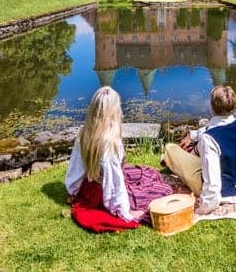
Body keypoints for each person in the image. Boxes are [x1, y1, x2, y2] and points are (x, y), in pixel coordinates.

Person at [65, 86, 171, 232]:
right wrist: (124, 212)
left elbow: (76, 166)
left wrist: (74, 190)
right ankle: (128, 203)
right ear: (115, 110)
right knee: (163, 190)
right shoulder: (110, 142)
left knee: (151, 173)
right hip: (103, 194)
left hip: (89, 187)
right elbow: (112, 182)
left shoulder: (85, 131)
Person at [162, 85, 236, 215]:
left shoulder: (209, 139)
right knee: (199, 152)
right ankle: (185, 156)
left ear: (211, 106)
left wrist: (202, 209)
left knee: (170, 149)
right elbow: (217, 127)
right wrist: (192, 136)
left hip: (222, 194)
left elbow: (213, 183)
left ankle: (169, 161)